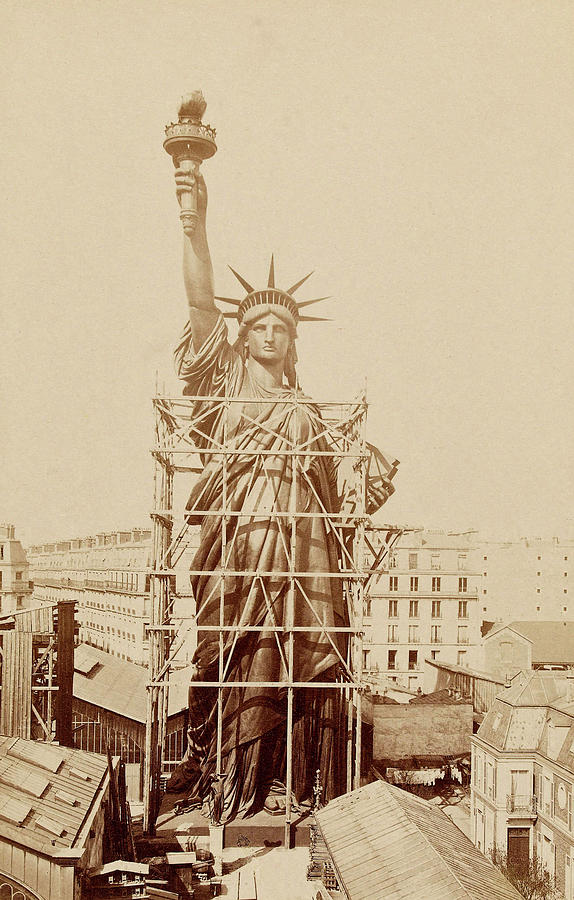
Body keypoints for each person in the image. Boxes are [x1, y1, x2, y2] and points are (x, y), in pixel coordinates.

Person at [168, 170, 395, 822]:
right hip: (236, 550)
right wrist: (194, 221)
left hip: (301, 559)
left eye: (282, 328)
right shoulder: (226, 385)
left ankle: (276, 787)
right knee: (232, 661)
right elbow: (200, 302)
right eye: (259, 324)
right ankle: (226, 785)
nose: (270, 334)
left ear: (294, 341)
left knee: (291, 668)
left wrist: (369, 490)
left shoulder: (306, 411)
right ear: (241, 336)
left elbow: (334, 500)